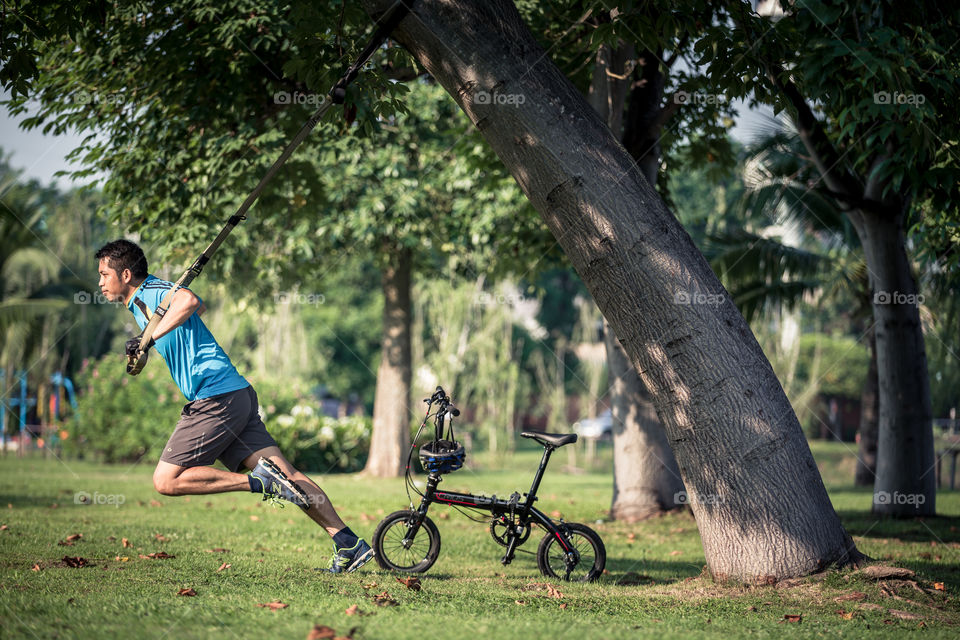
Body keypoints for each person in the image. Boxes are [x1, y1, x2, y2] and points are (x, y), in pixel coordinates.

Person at [95, 239, 373, 573]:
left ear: (125, 274)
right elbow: (199, 310)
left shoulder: (152, 292)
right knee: (288, 474)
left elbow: (191, 301)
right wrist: (148, 345)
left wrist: (150, 340)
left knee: (166, 481)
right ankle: (348, 542)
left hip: (215, 398)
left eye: (103, 274)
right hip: (234, 393)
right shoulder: (149, 301)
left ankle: (259, 482)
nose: (99, 283)